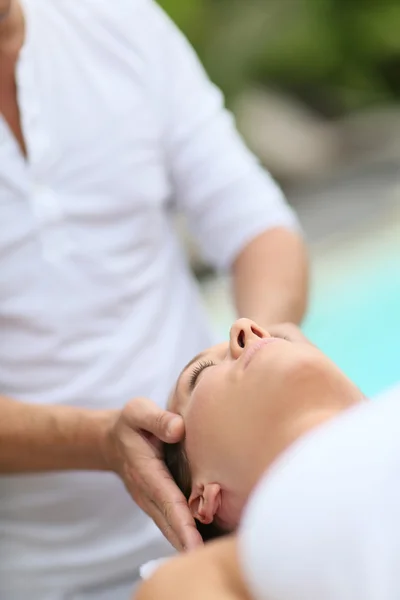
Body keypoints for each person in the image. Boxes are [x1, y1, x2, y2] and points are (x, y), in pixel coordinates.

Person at [0, 0, 308, 597]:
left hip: (249, 536)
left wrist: (261, 349)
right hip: (42, 576)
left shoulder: (117, 20)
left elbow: (257, 226)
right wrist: (99, 440)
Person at [136, 354, 400, 600]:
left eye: (278, 336)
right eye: (200, 372)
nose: (248, 329)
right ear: (205, 500)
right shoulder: (243, 564)